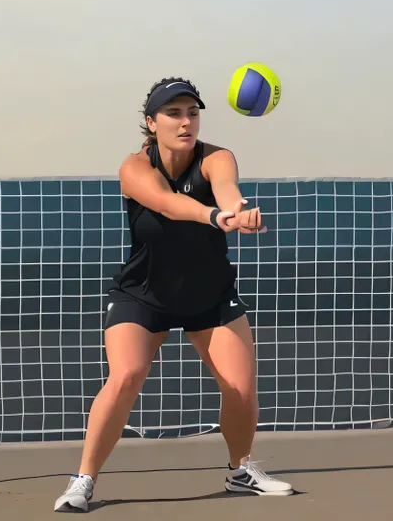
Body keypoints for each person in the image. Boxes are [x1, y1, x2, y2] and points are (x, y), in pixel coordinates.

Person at [54, 77, 293, 513]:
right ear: (152, 121)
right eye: (174, 114)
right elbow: (166, 204)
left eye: (193, 113)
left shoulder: (216, 158)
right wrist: (216, 216)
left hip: (209, 293)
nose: (186, 122)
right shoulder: (134, 168)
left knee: (239, 388)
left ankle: (241, 471)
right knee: (126, 375)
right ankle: (83, 479)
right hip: (144, 293)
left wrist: (238, 212)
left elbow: (228, 192)